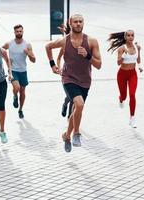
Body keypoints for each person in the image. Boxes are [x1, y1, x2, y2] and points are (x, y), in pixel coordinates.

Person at [45, 14, 102, 152]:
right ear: (70, 23)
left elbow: (99, 65)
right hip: (68, 78)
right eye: (75, 22)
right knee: (79, 104)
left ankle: (66, 135)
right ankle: (76, 133)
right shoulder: (64, 41)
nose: (78, 24)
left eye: (80, 22)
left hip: (85, 80)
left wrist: (87, 56)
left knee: (77, 109)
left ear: (83, 23)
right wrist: (53, 65)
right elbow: (48, 46)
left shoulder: (92, 41)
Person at [107, 30, 142, 128]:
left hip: (132, 74)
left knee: (132, 94)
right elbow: (118, 63)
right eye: (128, 36)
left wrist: (139, 66)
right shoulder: (122, 48)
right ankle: (121, 99)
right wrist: (124, 55)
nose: (131, 37)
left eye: (132, 35)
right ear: (125, 37)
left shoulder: (136, 47)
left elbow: (138, 59)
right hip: (122, 74)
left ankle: (132, 118)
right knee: (124, 96)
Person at [2, 24, 36, 119]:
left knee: (22, 91)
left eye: (20, 31)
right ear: (14, 32)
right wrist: (7, 60)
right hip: (13, 70)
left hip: (23, 71)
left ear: (23, 32)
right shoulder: (10, 43)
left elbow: (34, 60)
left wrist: (28, 53)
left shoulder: (27, 45)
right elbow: (0, 51)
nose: (19, 33)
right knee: (16, 87)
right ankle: (14, 96)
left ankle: (20, 109)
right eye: (17, 31)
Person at [57, 22, 73, 119]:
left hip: (77, 75)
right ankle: (65, 105)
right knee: (71, 97)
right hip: (66, 75)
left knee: (73, 98)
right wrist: (59, 68)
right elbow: (58, 58)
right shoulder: (65, 45)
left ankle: (70, 117)